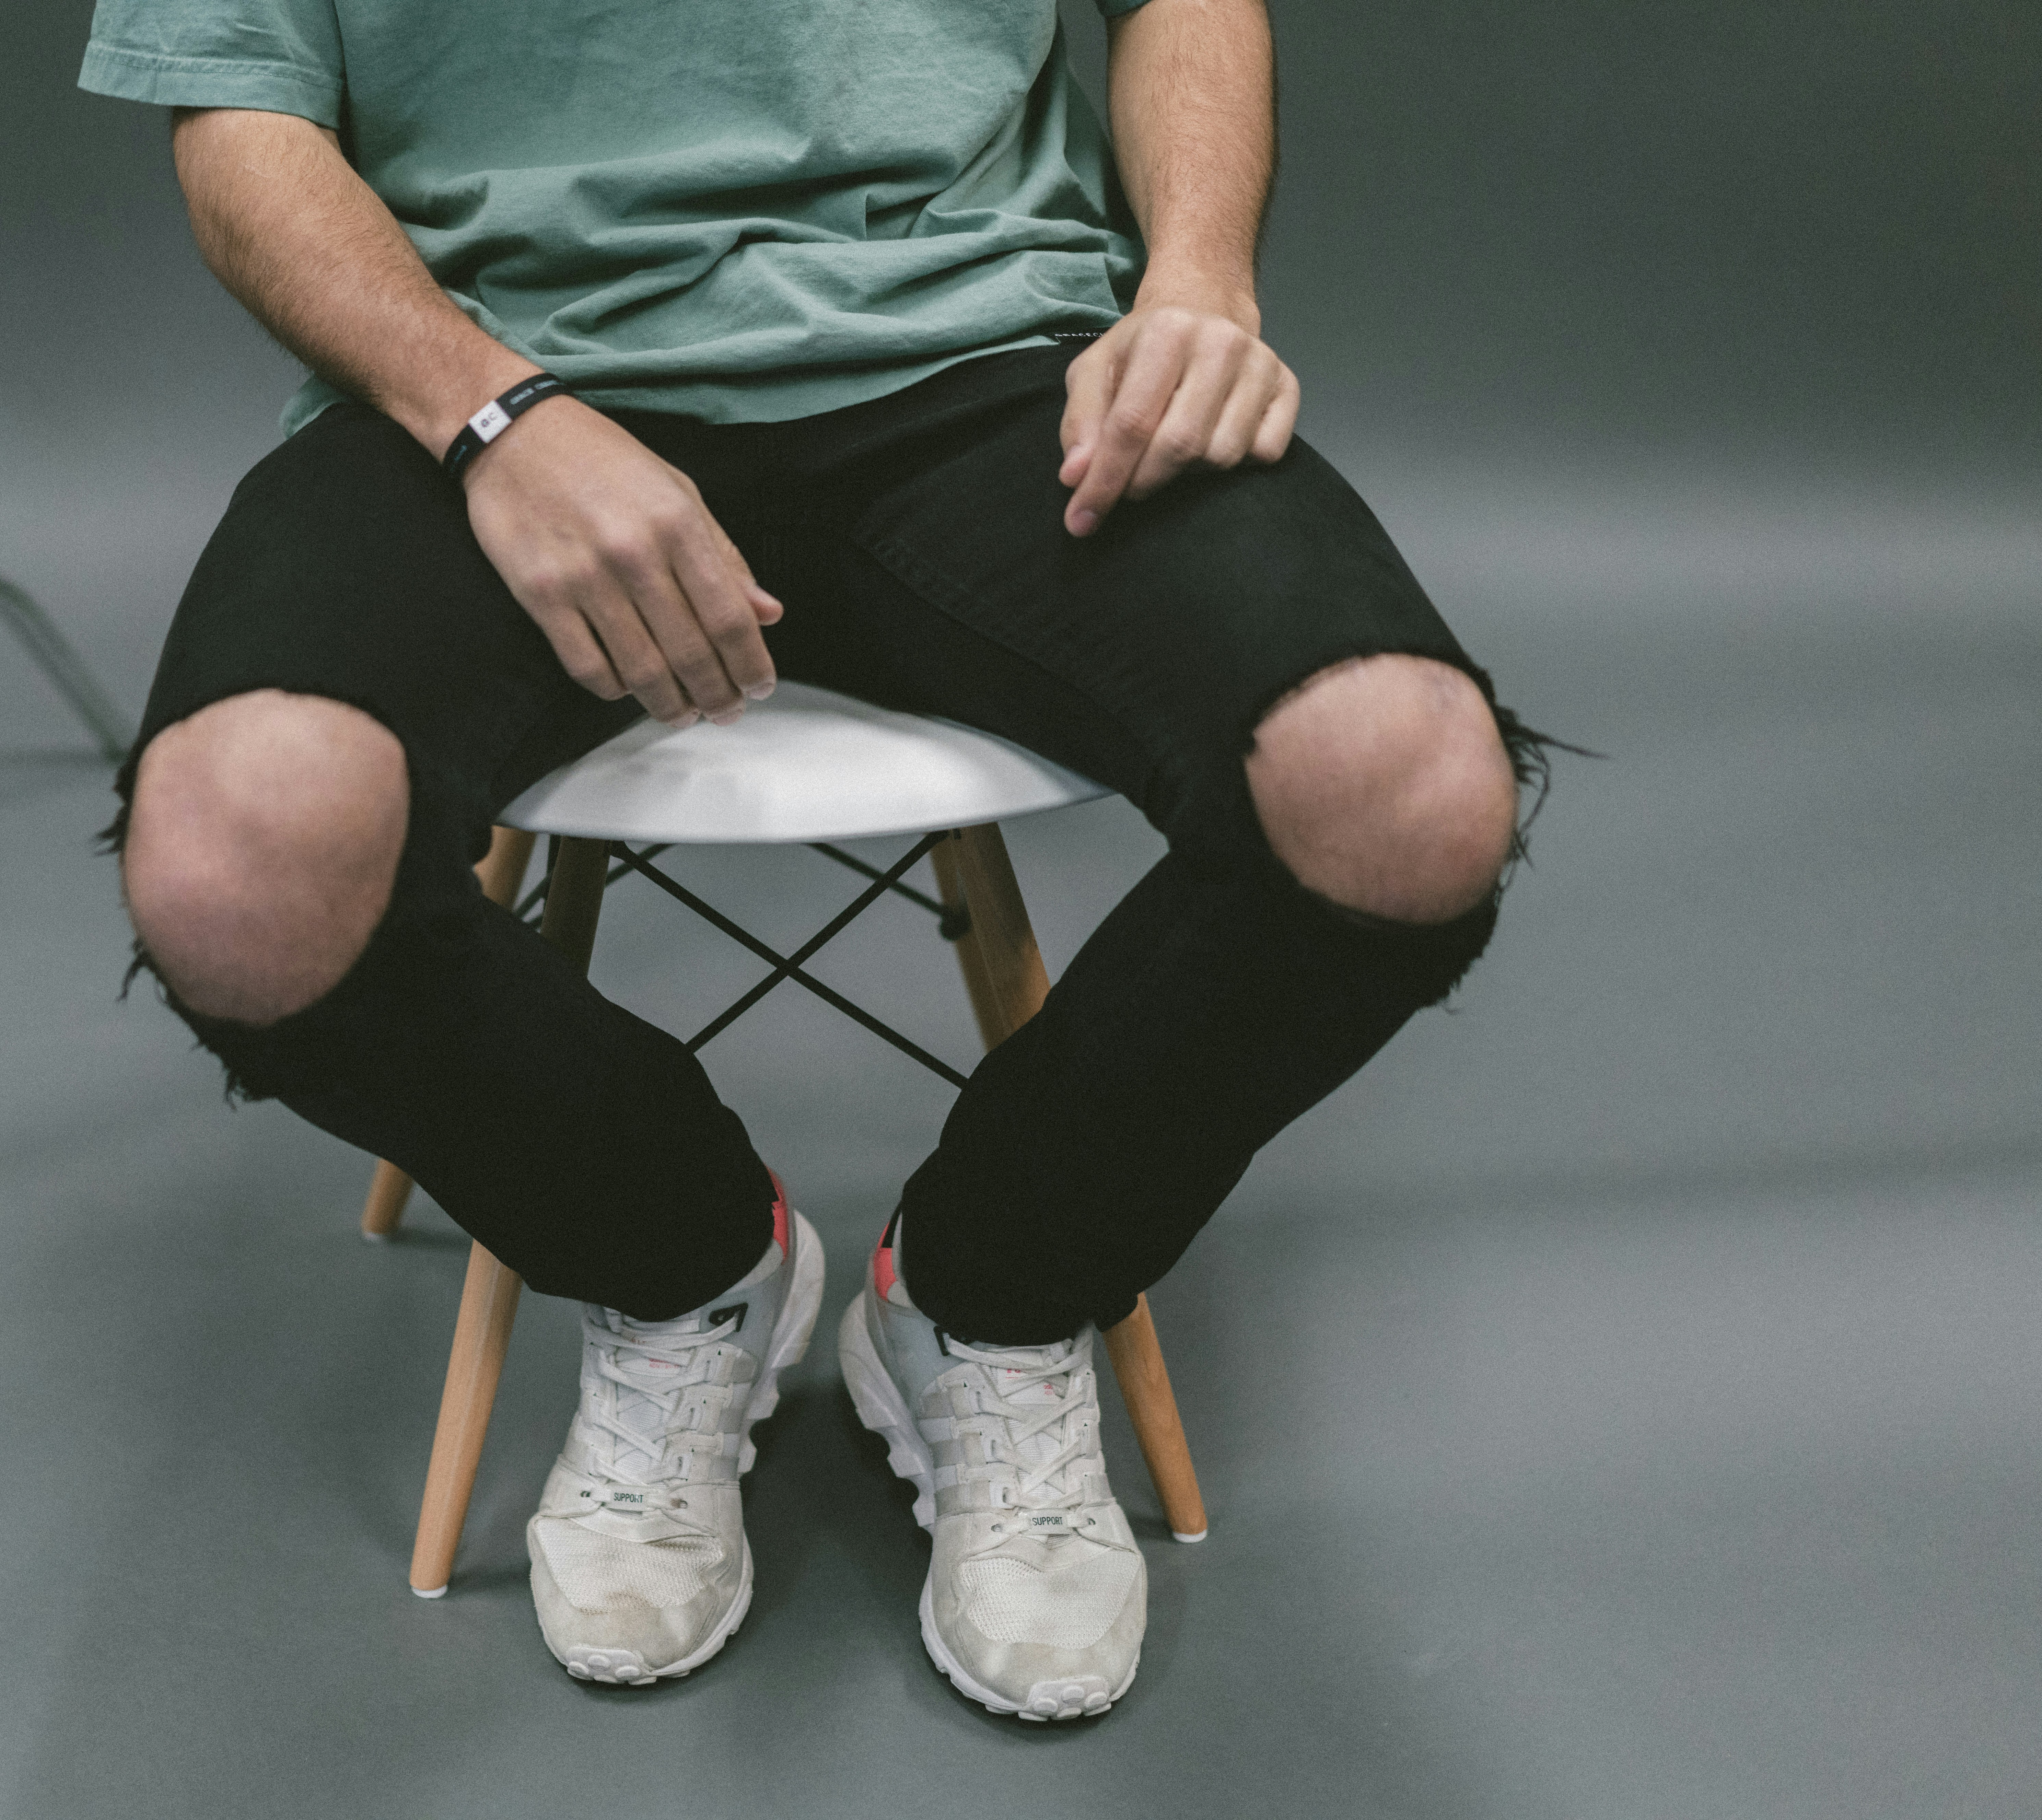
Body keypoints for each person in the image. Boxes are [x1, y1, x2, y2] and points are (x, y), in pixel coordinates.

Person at [81, 0, 1541, 1720]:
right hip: (502, 380)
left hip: (988, 358)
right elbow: (240, 122)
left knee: (1401, 783)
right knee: (235, 861)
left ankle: (988, 1298)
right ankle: (687, 1267)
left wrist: (1197, 282)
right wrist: (490, 418)